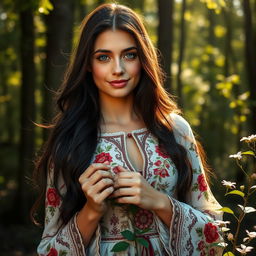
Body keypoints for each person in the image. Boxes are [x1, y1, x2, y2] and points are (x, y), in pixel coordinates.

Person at [32, 3, 223, 256]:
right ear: (88, 64)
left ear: (143, 59)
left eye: (129, 55)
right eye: (104, 57)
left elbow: (216, 236)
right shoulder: (68, 141)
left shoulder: (175, 129)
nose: (118, 69)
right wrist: (90, 212)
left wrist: (160, 202)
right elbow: (49, 251)